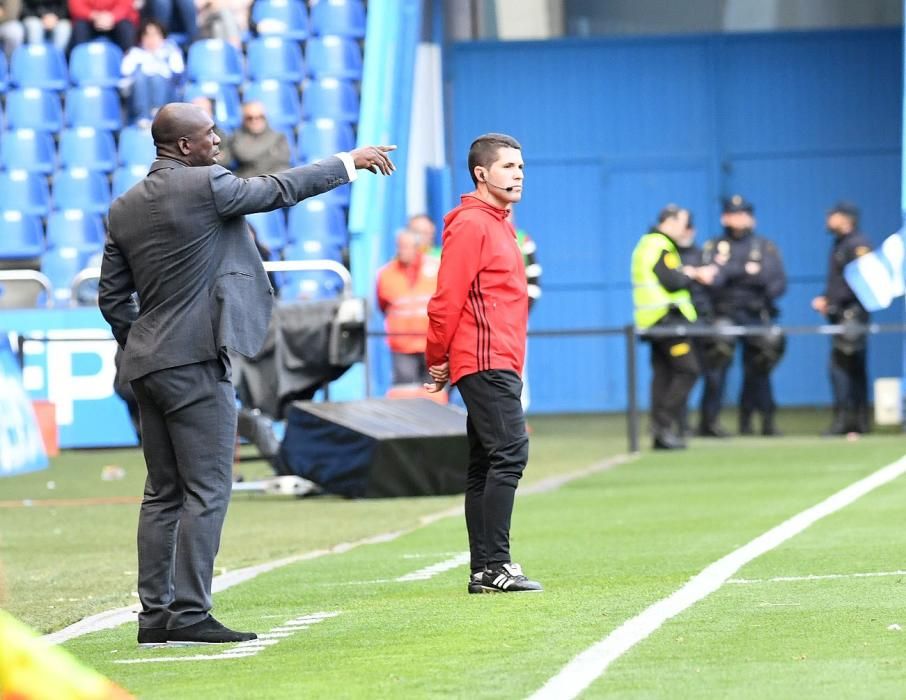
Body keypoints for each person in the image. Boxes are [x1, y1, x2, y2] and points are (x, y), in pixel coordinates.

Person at [97, 101, 395, 645]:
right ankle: (189, 613)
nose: (218, 139)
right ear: (183, 146)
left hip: (146, 365)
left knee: (162, 492)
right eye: (209, 133)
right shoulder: (207, 183)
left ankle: (155, 617)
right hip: (193, 362)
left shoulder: (124, 206)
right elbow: (279, 189)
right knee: (209, 488)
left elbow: (112, 299)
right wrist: (348, 161)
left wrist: (143, 341)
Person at [424, 132, 542, 595]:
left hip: (500, 358)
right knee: (511, 453)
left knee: (486, 462)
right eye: (509, 166)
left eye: (521, 166)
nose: (518, 174)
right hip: (485, 358)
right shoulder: (472, 223)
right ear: (481, 173)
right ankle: (496, 565)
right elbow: (446, 297)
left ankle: (483, 569)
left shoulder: (500, 222)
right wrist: (438, 357)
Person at [700, 195, 787, 436]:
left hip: (756, 314)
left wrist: (732, 273)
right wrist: (743, 271)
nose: (739, 219)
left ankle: (761, 420)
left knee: (761, 365)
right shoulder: (713, 247)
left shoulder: (764, 247)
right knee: (717, 363)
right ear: (724, 217)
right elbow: (712, 281)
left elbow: (777, 282)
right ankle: (710, 421)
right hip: (724, 313)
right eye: (734, 214)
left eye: (744, 214)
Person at [632, 205, 716, 449]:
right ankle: (662, 424)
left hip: (654, 322)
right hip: (667, 320)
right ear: (668, 222)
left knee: (663, 375)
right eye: (682, 222)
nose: (685, 228)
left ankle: (661, 434)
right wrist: (693, 275)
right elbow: (672, 281)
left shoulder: (647, 244)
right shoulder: (660, 245)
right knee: (688, 370)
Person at [811, 201, 872, 435]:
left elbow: (859, 281)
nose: (828, 219)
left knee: (843, 367)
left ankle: (848, 422)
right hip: (843, 315)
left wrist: (830, 301)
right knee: (851, 367)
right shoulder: (842, 243)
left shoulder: (857, 244)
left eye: (833, 215)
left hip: (852, 316)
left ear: (847, 218)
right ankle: (857, 422)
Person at [375, 228, 438, 386]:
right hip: (402, 344)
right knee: (405, 393)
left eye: (405, 246)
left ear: (416, 247)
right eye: (399, 246)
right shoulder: (386, 273)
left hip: (433, 344)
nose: (401, 250)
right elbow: (382, 304)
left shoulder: (436, 268)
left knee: (435, 395)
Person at [674, 211, 713, 437]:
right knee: (684, 373)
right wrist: (692, 274)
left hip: (703, 321)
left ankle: (709, 422)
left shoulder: (702, 254)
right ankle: (679, 424)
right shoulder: (669, 254)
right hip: (678, 324)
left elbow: (715, 281)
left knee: (709, 372)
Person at [120, 18, 184, 125]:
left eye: (155, 35)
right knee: (139, 77)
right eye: (147, 35)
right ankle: (142, 118)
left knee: (157, 78)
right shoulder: (135, 53)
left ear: (163, 37)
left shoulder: (171, 52)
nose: (151, 39)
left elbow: (178, 73)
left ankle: (158, 115)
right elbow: (125, 73)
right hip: (136, 97)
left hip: (168, 95)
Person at [225, 101, 292, 178]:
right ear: (243, 120)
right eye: (250, 118)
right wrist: (270, 152)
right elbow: (245, 155)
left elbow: (282, 161)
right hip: (249, 183)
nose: (255, 121)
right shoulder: (236, 137)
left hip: (274, 181)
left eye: (260, 117)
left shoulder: (279, 136)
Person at [68, 0, 137, 53]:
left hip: (115, 20)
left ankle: (129, 63)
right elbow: (76, 5)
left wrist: (112, 17)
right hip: (89, 19)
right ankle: (80, 62)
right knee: (80, 27)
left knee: (125, 28)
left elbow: (125, 5)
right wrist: (93, 15)